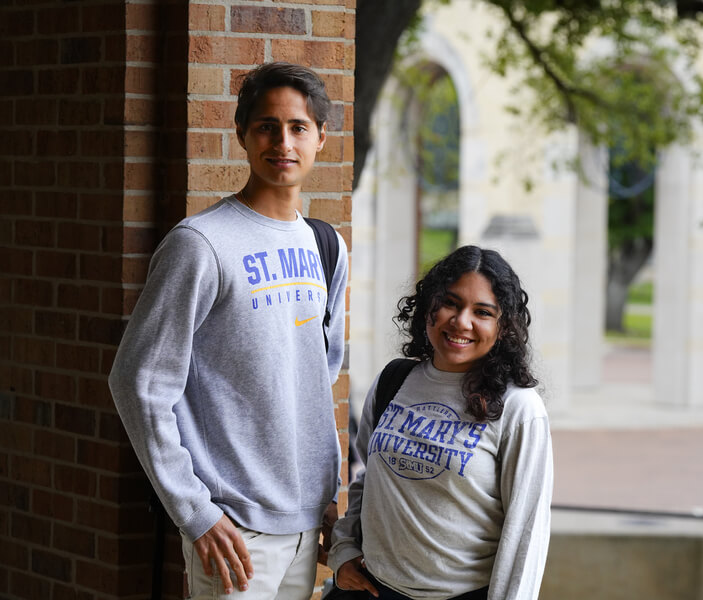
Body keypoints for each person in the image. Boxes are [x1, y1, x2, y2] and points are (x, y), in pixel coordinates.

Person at [109, 62, 347, 598]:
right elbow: (138, 382)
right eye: (266, 126)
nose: (282, 142)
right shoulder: (201, 244)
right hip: (234, 528)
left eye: (298, 127)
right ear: (241, 133)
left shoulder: (327, 245)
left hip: (308, 522)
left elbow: (315, 376)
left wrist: (326, 495)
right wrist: (194, 511)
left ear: (321, 138)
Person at [327, 246, 553, 600]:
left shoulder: (518, 408)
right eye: (451, 303)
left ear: (503, 326)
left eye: (482, 312)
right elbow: (368, 481)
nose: (462, 321)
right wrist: (343, 551)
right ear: (428, 305)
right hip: (371, 589)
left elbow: (526, 532)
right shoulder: (394, 380)